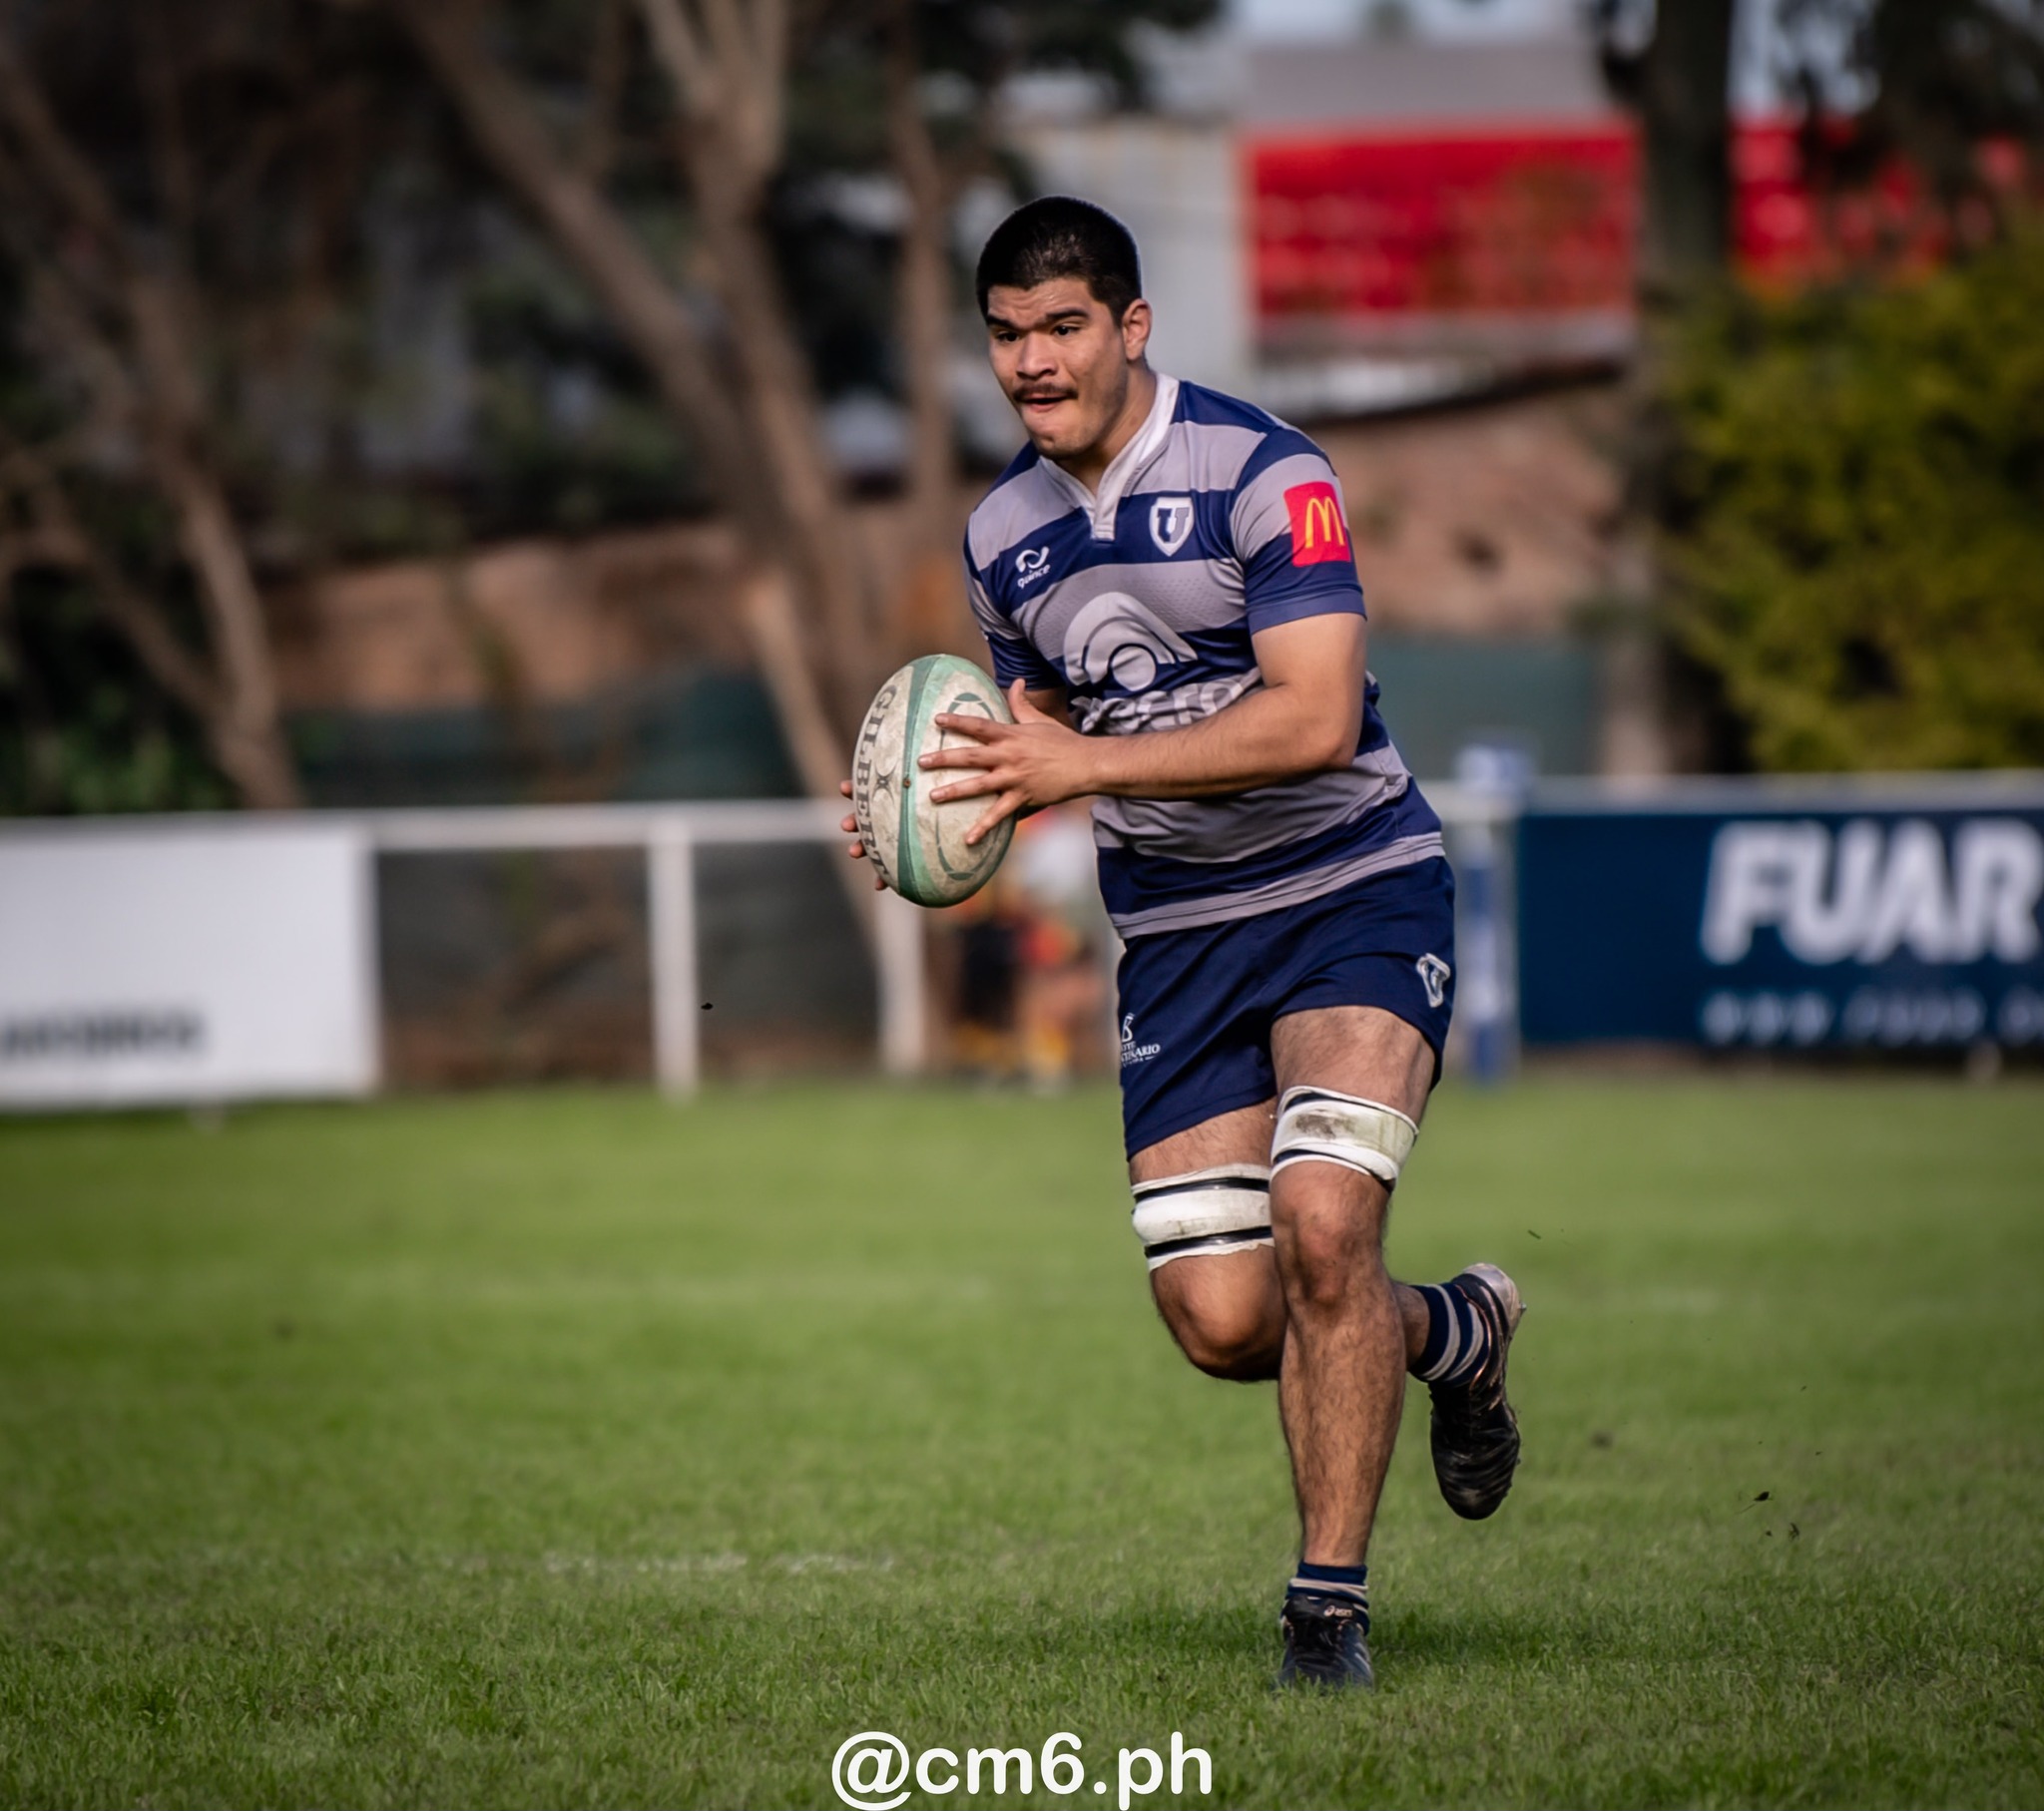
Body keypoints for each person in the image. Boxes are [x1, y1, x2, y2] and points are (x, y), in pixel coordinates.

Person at [841, 196, 1523, 1689]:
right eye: (1008, 336)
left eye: (1064, 326)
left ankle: (1325, 1614)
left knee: (1328, 1228)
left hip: (1351, 888)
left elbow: (1314, 716)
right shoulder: (1000, 535)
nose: (1034, 361)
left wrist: (1077, 774)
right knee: (1226, 1321)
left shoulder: (1267, 474)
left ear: (1132, 328)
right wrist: (940, 814)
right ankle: (1454, 1334)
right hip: (1181, 939)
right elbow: (1042, 735)